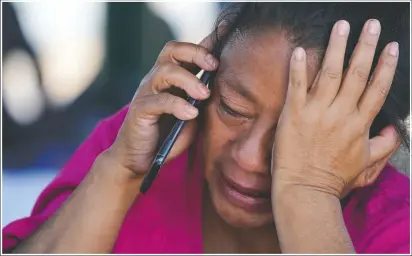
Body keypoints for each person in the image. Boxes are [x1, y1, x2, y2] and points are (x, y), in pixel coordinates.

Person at [2, 2, 410, 254]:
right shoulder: (138, 145)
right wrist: (118, 174)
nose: (248, 159)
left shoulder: (396, 228)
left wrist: (309, 193)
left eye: (298, 139)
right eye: (232, 108)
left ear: (375, 152)